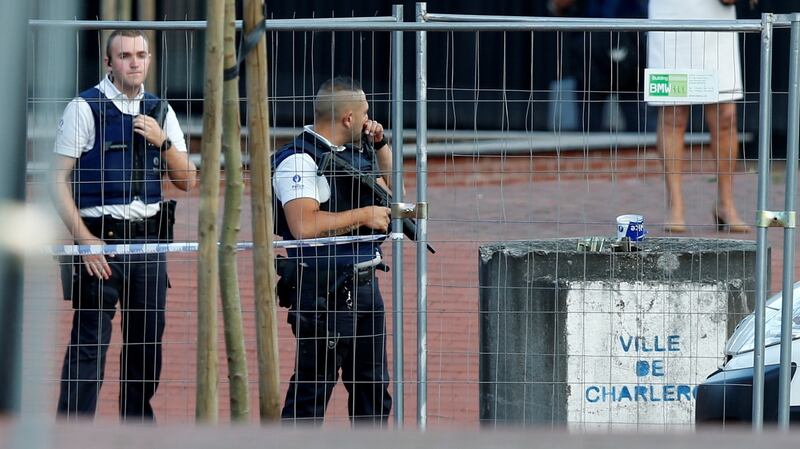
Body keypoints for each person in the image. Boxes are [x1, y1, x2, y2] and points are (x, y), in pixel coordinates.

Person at [51, 29, 197, 420]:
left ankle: (135, 432)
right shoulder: (85, 108)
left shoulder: (160, 110)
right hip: (102, 243)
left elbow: (188, 180)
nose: (135, 62)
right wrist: (84, 240)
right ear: (109, 63)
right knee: (89, 347)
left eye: (141, 55)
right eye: (126, 55)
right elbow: (55, 179)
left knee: (146, 348)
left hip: (149, 245)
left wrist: (163, 142)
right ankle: (72, 432)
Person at [272, 76, 395, 425]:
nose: (372, 120)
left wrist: (381, 144)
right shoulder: (298, 159)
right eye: (366, 113)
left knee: (373, 391)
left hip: (366, 283)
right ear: (348, 119)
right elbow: (303, 226)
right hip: (324, 289)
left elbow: (392, 191)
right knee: (312, 392)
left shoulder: (354, 153)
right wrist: (364, 215)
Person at [649, 0, 750, 233]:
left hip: (717, 15)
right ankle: (675, 204)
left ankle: (726, 203)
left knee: (726, 116)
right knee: (673, 113)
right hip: (671, 12)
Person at [550, 0, 652, 132]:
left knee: (637, 124)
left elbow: (560, 5)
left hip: (620, 39)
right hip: (602, 42)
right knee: (635, 124)